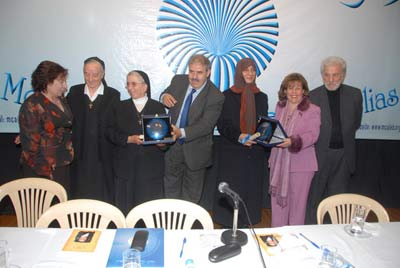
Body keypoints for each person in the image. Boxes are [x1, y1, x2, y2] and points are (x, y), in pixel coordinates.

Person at [306, 56, 363, 224]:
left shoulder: (355, 94)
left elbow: (356, 122)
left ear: (343, 75)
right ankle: (311, 231)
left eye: (335, 75)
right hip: (318, 155)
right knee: (314, 198)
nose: (330, 79)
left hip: (344, 155)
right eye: (326, 75)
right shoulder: (312, 96)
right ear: (322, 75)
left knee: (338, 199)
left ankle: (336, 234)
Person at [161, 54, 225, 203]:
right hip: (172, 147)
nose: (194, 76)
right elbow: (166, 92)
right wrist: (164, 96)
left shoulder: (216, 96)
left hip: (196, 152)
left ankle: (186, 226)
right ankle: (171, 224)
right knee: (170, 191)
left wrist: (180, 132)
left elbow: (206, 125)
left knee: (191, 198)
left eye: (199, 72)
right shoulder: (178, 80)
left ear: (208, 72)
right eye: (191, 71)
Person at [213, 58, 268, 227]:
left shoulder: (262, 97)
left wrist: (261, 134)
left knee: (250, 191)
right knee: (232, 190)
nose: (250, 73)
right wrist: (239, 136)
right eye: (246, 70)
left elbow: (263, 123)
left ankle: (247, 224)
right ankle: (228, 225)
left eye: (253, 70)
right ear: (239, 72)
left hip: (254, 153)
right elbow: (222, 124)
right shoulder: (227, 95)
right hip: (232, 152)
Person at [106, 70, 165, 214]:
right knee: (126, 208)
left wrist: (162, 143)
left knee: (149, 209)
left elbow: (164, 140)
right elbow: (109, 132)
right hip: (125, 167)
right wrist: (128, 139)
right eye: (128, 84)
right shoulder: (118, 107)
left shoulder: (157, 107)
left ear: (145, 87)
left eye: (134, 84)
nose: (130, 87)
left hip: (150, 169)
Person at [269, 73, 320, 227]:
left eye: (298, 88)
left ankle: (295, 240)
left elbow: (313, 135)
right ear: (284, 91)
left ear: (304, 91)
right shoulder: (280, 107)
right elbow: (275, 131)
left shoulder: (313, 110)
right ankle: (276, 237)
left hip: (302, 165)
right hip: (278, 162)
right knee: (277, 205)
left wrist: (292, 141)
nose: (294, 92)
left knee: (298, 207)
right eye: (290, 88)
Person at [67, 57, 120, 203]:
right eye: (86, 74)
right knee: (79, 196)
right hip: (79, 155)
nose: (90, 79)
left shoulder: (113, 95)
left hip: (103, 157)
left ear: (103, 74)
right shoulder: (74, 92)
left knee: (102, 197)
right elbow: (62, 118)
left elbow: (116, 126)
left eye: (95, 75)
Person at [19, 60, 73, 191]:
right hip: (42, 170)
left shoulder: (61, 100)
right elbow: (31, 146)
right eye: (61, 81)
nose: (65, 86)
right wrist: (46, 170)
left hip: (61, 163)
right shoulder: (32, 105)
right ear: (48, 82)